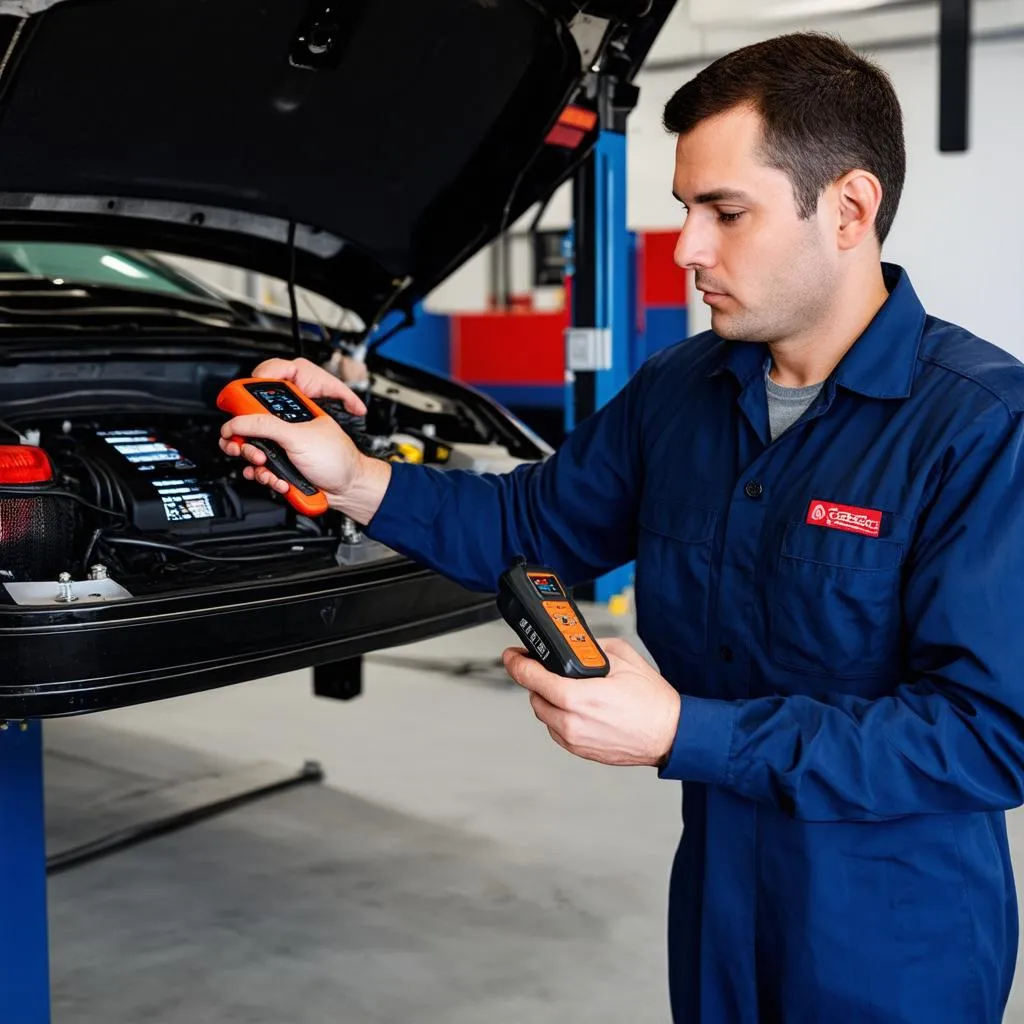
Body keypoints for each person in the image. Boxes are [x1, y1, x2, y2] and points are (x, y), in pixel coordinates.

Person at [220, 32, 1024, 1023]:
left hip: (896, 932)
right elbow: (531, 521)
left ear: (849, 209)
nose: (686, 247)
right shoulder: (680, 392)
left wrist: (690, 729)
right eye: (687, 208)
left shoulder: (980, 427)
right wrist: (355, 478)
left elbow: (987, 736)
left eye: (724, 212)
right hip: (718, 895)